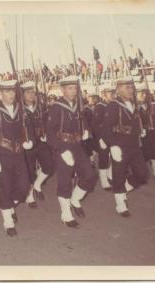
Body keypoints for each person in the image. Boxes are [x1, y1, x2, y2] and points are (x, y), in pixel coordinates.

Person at [0, 80, 34, 237]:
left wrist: (28, 140)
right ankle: (8, 222)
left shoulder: (21, 110)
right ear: (1, 93)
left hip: (18, 155)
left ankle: (10, 205)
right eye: (7, 91)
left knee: (24, 186)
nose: (11, 94)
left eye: (13, 91)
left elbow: (27, 128)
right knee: (5, 188)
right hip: (2, 155)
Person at [46, 76, 97, 227]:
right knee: (65, 180)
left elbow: (84, 123)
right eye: (70, 88)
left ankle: (75, 199)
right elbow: (49, 133)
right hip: (62, 146)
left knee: (89, 175)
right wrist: (61, 150)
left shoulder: (78, 105)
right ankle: (66, 213)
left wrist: (86, 131)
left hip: (77, 146)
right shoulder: (56, 107)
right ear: (62, 90)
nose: (73, 91)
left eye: (75, 88)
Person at [101, 77, 148, 217]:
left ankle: (125, 188)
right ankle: (120, 203)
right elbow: (106, 129)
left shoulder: (133, 104)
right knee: (119, 174)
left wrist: (141, 130)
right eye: (127, 87)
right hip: (119, 145)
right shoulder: (113, 105)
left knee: (142, 173)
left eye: (131, 87)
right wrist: (112, 146)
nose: (131, 90)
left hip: (134, 145)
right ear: (119, 89)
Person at [20, 81, 52, 207]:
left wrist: (46, 134)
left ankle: (38, 185)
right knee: (30, 171)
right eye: (28, 92)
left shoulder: (41, 107)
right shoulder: (19, 110)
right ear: (22, 95)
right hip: (27, 145)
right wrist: (23, 140)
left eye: (33, 92)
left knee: (49, 166)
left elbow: (47, 123)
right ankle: (30, 196)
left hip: (41, 142)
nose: (31, 95)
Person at [92, 85, 116, 191]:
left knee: (116, 157)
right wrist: (101, 139)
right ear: (104, 95)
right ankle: (103, 180)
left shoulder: (114, 105)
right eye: (111, 94)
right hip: (103, 137)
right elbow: (96, 125)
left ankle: (110, 175)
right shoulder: (100, 107)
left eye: (114, 93)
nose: (114, 96)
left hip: (114, 135)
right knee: (104, 158)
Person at [136, 84, 155, 179]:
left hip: (151, 132)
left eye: (145, 93)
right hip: (140, 134)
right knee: (141, 154)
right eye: (141, 93)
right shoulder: (134, 107)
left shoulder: (151, 106)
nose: (144, 95)